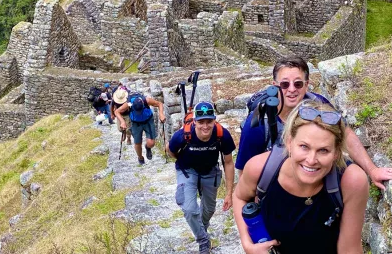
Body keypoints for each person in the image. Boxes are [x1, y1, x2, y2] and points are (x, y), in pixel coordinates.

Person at [235, 56, 392, 190]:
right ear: (274, 86)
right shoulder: (257, 125)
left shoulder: (318, 104)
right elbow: (244, 171)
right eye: (284, 84)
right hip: (277, 190)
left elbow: (345, 134)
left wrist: (372, 170)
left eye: (298, 83)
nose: (292, 89)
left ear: (306, 85)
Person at [233, 100, 369, 254]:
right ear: (289, 143)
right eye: (304, 147)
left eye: (323, 150)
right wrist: (247, 243)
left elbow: (349, 249)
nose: (311, 160)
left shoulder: (351, 181)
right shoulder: (260, 169)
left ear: (336, 153)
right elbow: (239, 197)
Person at [167, 101, 236, 254]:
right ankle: (203, 241)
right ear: (195, 121)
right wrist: (182, 160)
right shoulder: (183, 135)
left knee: (210, 209)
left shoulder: (222, 135)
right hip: (187, 170)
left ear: (214, 120)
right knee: (190, 209)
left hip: (210, 171)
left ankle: (201, 229)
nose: (205, 126)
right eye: (201, 122)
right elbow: (171, 151)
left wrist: (229, 193)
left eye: (209, 121)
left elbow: (229, 162)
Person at [115, 92, 166, 165]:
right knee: (137, 143)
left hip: (148, 121)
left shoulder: (146, 100)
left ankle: (148, 148)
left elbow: (159, 104)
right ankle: (140, 157)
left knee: (151, 143)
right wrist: (122, 122)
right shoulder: (129, 104)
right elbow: (117, 112)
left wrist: (161, 114)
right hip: (136, 123)